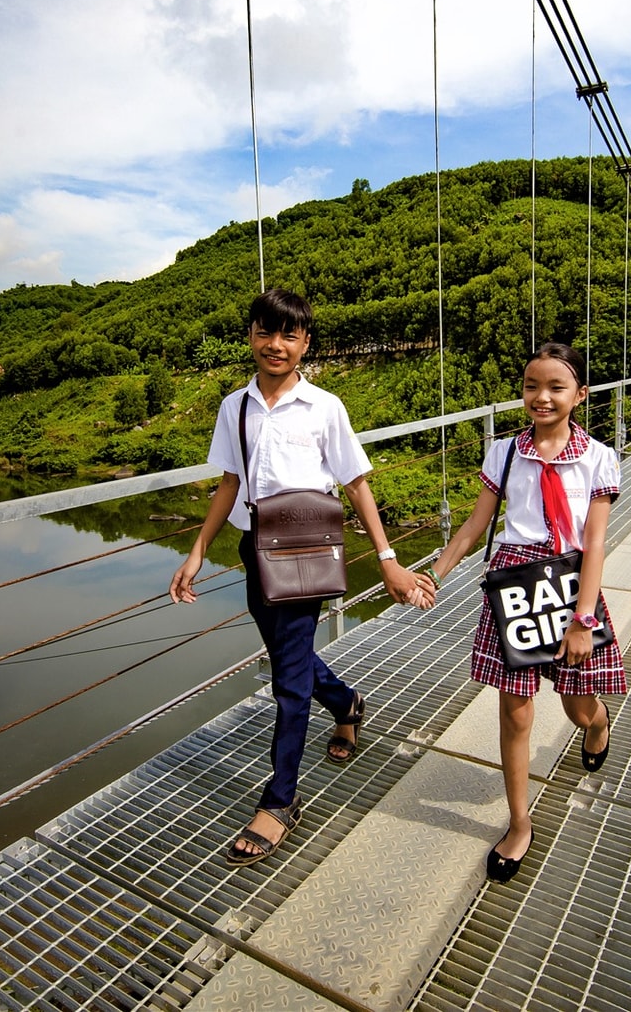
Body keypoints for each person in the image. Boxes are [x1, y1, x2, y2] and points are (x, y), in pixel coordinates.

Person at [169, 288, 434, 866]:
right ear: (251, 335)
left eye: (289, 335)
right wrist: (196, 551)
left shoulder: (325, 408)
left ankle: (280, 801)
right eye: (266, 332)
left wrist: (387, 558)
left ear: (306, 343)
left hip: (307, 553)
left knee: (288, 683)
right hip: (254, 551)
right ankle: (347, 705)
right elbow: (230, 485)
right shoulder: (233, 407)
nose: (276, 345)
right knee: (291, 658)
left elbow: (357, 481)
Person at [431, 341, 625, 882]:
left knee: (574, 700)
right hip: (514, 586)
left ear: (580, 395)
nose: (541, 397)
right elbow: (474, 527)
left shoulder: (598, 457)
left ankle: (598, 723)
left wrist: (584, 619)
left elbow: (595, 542)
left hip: (569, 583)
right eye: (531, 386)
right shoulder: (506, 452)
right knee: (515, 711)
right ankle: (520, 822)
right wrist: (437, 573)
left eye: (556, 387)